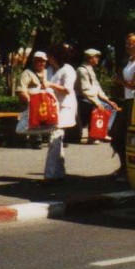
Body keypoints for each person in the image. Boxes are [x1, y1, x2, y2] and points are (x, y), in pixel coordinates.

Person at [42, 43, 78, 183]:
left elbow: (67, 89)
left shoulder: (68, 70)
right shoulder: (49, 70)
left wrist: (51, 85)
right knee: (57, 139)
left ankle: (50, 175)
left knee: (54, 138)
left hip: (65, 107)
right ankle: (59, 173)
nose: (48, 58)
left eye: (50, 56)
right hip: (53, 106)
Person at [109, 33, 135, 180]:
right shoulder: (128, 61)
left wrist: (120, 81)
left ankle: (127, 169)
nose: (128, 46)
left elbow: (134, 84)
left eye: (131, 44)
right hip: (125, 99)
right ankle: (123, 166)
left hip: (134, 101)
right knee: (116, 134)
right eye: (127, 43)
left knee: (124, 134)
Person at [76, 47, 117, 143]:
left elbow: (97, 88)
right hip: (83, 98)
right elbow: (86, 90)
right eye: (96, 57)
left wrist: (108, 100)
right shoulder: (82, 70)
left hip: (91, 97)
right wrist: (98, 103)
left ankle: (102, 132)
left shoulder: (90, 70)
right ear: (90, 58)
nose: (98, 59)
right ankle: (100, 133)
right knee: (104, 107)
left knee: (112, 106)